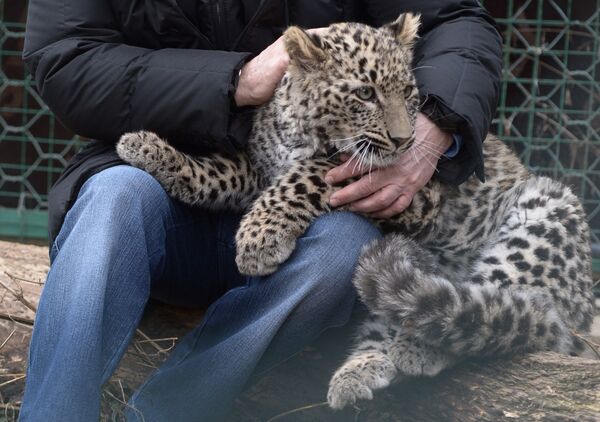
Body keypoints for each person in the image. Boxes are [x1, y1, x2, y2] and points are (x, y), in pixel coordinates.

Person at [19, 1, 502, 420]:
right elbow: (67, 59)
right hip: (162, 186)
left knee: (343, 251)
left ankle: (166, 413)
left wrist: (437, 126)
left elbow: (455, 20)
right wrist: (235, 81)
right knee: (113, 198)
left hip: (321, 200)